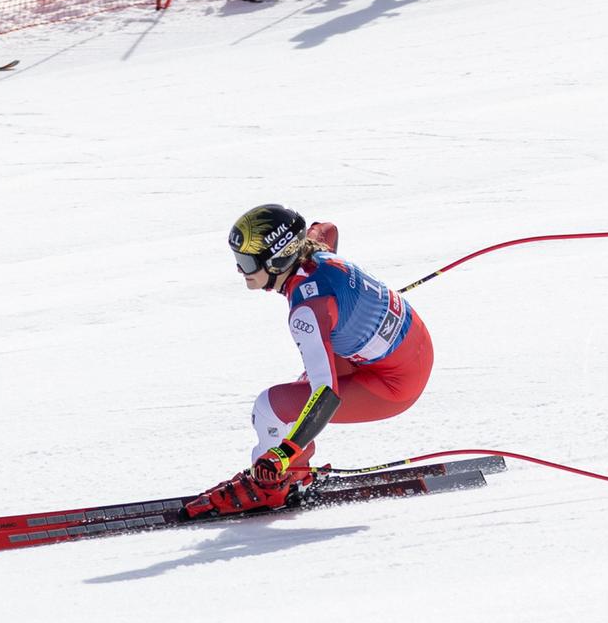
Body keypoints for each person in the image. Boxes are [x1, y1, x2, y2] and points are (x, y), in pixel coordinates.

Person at [184, 204, 434, 519]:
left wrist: (282, 453)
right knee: (303, 389)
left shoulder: (308, 310)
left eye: (247, 263)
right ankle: (292, 466)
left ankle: (276, 484)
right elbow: (326, 229)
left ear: (277, 260)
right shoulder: (309, 249)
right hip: (409, 349)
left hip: (393, 385)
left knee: (271, 408)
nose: (239, 270)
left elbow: (327, 394)